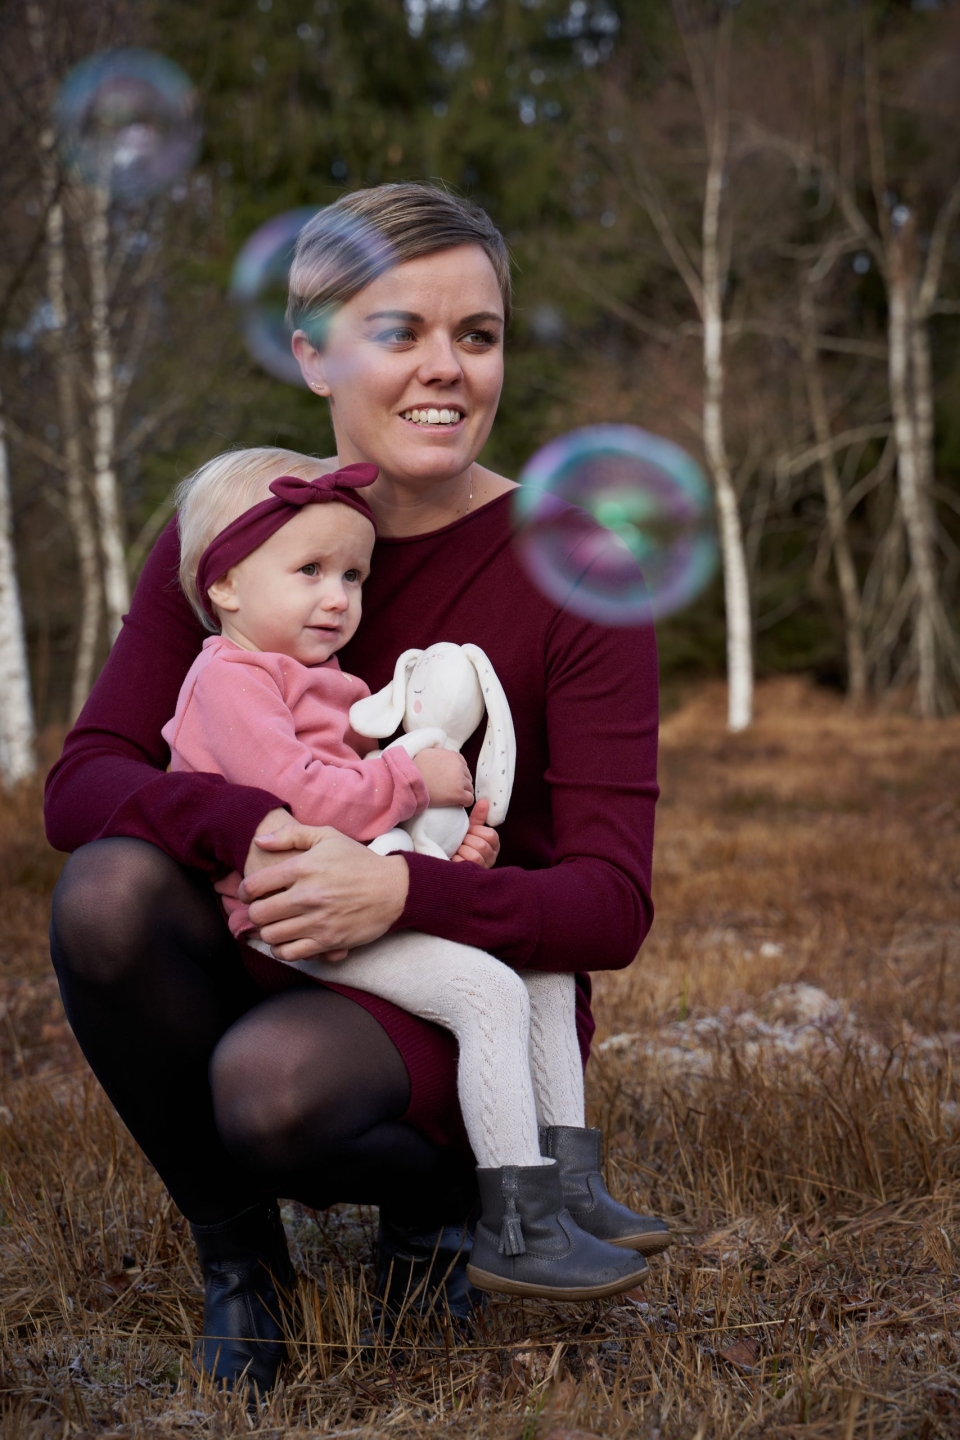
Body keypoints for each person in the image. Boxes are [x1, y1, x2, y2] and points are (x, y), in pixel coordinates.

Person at [44, 182, 666, 1393]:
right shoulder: (230, 536)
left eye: (476, 336)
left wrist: (395, 894)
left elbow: (611, 905)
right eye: (400, 332)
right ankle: (243, 1267)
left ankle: (453, 1203)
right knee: (106, 893)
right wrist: (249, 822)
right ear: (311, 352)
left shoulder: (579, 564)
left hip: (469, 972)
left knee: (270, 1091)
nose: (448, 370)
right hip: (272, 930)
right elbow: (84, 785)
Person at [161, 442, 655, 1304]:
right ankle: (517, 1228)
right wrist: (410, 780)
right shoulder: (229, 678)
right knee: (485, 993)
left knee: (541, 968)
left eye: (352, 576)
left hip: (366, 888)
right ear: (224, 586)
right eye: (310, 570)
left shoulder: (313, 677)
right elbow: (306, 795)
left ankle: (569, 1188)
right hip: (295, 917)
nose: (336, 597)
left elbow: (368, 807)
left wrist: (445, 841)